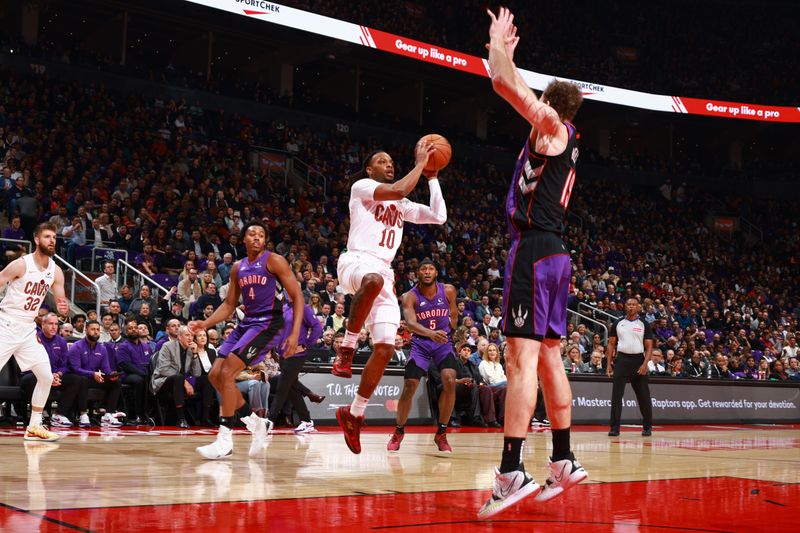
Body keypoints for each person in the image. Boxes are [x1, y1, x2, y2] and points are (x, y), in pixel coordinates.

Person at [479, 8, 587, 518]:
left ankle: (511, 470)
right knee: (548, 358)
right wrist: (507, 60)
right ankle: (563, 458)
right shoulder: (564, 137)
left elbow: (504, 85)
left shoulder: (551, 127)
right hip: (556, 255)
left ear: (548, 104)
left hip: (534, 250)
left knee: (519, 359)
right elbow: (507, 79)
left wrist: (499, 44)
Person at [332, 137, 447, 455]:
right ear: (370, 169)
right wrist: (421, 164)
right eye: (381, 161)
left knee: (384, 348)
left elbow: (439, 217)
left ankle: (354, 413)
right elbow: (397, 189)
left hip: (385, 273)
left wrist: (433, 177)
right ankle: (348, 347)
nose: (389, 163)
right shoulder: (362, 187)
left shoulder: (403, 205)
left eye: (390, 161)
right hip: (356, 261)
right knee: (369, 280)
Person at [188, 221, 304, 460]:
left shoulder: (274, 261)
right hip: (246, 323)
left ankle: (225, 439)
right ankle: (256, 423)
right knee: (214, 375)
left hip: (268, 324)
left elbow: (297, 296)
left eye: (261, 235)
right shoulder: (238, 268)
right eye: (252, 234)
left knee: (228, 373)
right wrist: (205, 324)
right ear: (243, 239)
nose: (257, 238)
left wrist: (294, 334)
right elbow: (229, 305)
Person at [0, 222, 70, 442]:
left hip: (29, 328)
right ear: (37, 239)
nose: (52, 240)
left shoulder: (55, 271)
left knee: (46, 376)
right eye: (47, 236)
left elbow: (61, 302)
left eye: (54, 237)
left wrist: (63, 310)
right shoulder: (21, 265)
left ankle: (34, 426)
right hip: (7, 324)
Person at [387, 259, 458, 453]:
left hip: (442, 343)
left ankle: (441, 433)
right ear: (418, 273)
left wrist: (452, 330)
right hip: (421, 343)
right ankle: (399, 431)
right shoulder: (410, 296)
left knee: (450, 380)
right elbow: (410, 323)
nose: (427, 272)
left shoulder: (449, 290)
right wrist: (430, 333)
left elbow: (454, 314)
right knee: (410, 386)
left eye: (431, 269)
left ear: (436, 272)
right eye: (423, 269)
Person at [266, 292, 324, 434]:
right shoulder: (284, 308)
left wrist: (307, 344)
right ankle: (307, 420)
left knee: (282, 386)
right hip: (283, 354)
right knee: (291, 388)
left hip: (297, 353)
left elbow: (317, 327)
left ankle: (269, 420)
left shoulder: (303, 308)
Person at [20, 313, 90, 428]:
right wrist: (47, 376)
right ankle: (37, 415)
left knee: (76, 380)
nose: (54, 327)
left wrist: (58, 374)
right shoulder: (33, 339)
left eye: (56, 324)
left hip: (54, 376)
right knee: (31, 379)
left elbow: (65, 365)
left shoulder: (61, 341)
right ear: (42, 325)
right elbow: (29, 365)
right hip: (34, 375)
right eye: (50, 324)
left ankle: (59, 414)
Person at [606, 298, 654, 437]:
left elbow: (649, 347)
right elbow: (611, 344)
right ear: (625, 307)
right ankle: (614, 428)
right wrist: (609, 364)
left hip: (638, 361)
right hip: (622, 361)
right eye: (629, 305)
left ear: (638, 307)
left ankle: (647, 427)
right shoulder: (618, 323)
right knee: (616, 396)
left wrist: (645, 364)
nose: (631, 307)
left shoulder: (644, 324)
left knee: (644, 396)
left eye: (634, 305)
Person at [68, 320, 124, 427]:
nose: (96, 332)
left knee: (116, 382)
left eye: (98, 330)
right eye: (93, 329)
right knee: (82, 380)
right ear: (86, 330)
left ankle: (108, 414)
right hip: (79, 379)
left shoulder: (102, 348)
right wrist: (93, 374)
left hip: (94, 378)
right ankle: (83, 414)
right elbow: (75, 369)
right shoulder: (77, 346)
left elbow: (106, 369)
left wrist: (111, 375)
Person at [151, 325, 205, 428]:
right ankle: (181, 419)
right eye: (187, 335)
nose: (190, 338)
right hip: (163, 381)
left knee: (205, 379)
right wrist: (185, 382)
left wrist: (195, 354)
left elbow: (197, 373)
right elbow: (163, 369)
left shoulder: (190, 349)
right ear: (180, 336)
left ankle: (205, 419)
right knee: (179, 378)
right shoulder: (167, 346)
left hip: (180, 382)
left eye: (192, 336)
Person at [114, 319, 154, 425]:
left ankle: (147, 413)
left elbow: (150, 363)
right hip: (127, 375)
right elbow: (125, 365)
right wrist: (142, 373)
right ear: (126, 332)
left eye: (135, 328)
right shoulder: (123, 346)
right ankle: (137, 414)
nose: (133, 330)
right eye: (130, 328)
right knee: (139, 380)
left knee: (150, 379)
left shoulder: (146, 346)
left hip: (145, 375)